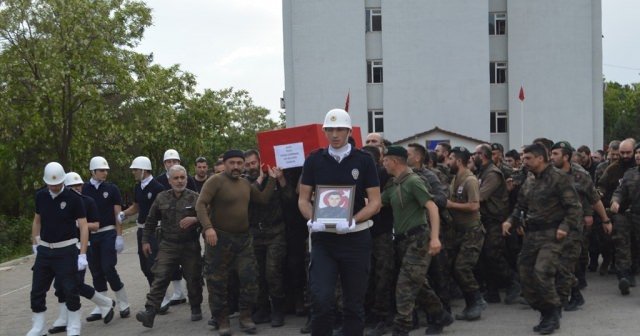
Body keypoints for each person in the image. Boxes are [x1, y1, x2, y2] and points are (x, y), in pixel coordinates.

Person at [298, 108, 381, 336]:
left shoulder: (364, 160)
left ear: (348, 131)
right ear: (324, 131)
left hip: (355, 240)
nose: (334, 134)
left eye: (340, 129)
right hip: (324, 240)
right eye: (330, 129)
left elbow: (375, 202)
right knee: (321, 300)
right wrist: (312, 219)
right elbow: (303, 199)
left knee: (353, 304)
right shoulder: (314, 159)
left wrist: (353, 220)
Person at [196, 149, 280, 335]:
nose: (236, 166)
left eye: (239, 163)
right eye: (232, 163)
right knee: (218, 282)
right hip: (219, 239)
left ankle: (245, 316)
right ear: (225, 164)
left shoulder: (245, 184)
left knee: (250, 279)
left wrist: (273, 178)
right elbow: (200, 204)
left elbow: (263, 199)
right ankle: (222, 319)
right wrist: (208, 227)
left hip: (243, 241)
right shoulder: (215, 181)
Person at [502, 143, 582, 335]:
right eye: (523, 158)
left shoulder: (559, 178)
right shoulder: (529, 179)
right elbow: (521, 205)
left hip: (552, 234)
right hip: (531, 235)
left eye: (528, 158)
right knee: (525, 273)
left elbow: (574, 207)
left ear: (540, 158)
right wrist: (511, 220)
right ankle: (546, 311)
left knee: (542, 272)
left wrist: (564, 227)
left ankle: (553, 313)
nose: (524, 161)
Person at [381, 146, 452, 336]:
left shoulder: (413, 181)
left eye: (385, 160)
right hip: (403, 242)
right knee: (418, 283)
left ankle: (401, 327)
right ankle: (440, 315)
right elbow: (376, 204)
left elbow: (432, 208)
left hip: (419, 239)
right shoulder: (394, 184)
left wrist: (435, 238)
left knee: (405, 285)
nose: (383, 163)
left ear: (394, 161)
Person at [135, 165, 204, 328]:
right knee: (160, 275)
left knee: (193, 278)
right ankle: (150, 312)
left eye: (182, 178)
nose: (180, 181)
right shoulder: (161, 198)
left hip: (190, 245)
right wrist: (145, 241)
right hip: (168, 244)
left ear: (187, 179)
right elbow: (150, 221)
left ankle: (196, 307)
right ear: (169, 180)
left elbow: (207, 216)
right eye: (176, 178)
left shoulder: (196, 198)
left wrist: (195, 220)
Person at [47, 173, 115, 334]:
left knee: (74, 283)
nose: (77, 188)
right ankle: (66, 318)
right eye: (73, 186)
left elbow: (96, 225)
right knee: (61, 285)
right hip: (62, 249)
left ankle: (103, 303)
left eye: (79, 185)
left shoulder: (87, 201)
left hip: (82, 246)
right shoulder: (59, 201)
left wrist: (79, 224)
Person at [27, 163, 89, 336]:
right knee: (37, 289)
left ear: (63, 180)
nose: (54, 186)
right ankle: (38, 326)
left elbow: (83, 226)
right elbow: (37, 220)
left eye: (57, 183)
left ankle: (74, 324)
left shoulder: (74, 198)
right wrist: (35, 242)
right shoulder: (41, 196)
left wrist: (82, 253)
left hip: (66, 249)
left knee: (70, 288)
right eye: (50, 184)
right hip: (45, 250)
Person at [549, 141, 610, 312]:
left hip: (575, 226)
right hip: (554, 225)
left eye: (555, 154)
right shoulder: (549, 174)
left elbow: (594, 198)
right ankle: (575, 293)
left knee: (566, 263)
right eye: (551, 154)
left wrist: (605, 220)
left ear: (566, 157)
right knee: (558, 263)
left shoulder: (580, 175)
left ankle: (560, 303)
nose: (551, 157)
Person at [244, 149, 293, 327]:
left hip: (275, 233)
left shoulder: (275, 176)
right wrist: (258, 181)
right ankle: (263, 308)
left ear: (260, 161)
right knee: (258, 274)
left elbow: (289, 199)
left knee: (273, 273)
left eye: (253, 163)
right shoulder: (244, 182)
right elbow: (249, 199)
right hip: (255, 234)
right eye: (247, 164)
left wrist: (280, 179)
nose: (251, 167)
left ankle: (278, 310)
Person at [82, 156, 130, 321]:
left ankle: (123, 302)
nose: (105, 173)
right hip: (90, 235)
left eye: (106, 170)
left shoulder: (112, 189)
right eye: (101, 170)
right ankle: (101, 303)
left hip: (108, 232)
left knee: (108, 267)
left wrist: (119, 236)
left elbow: (118, 214)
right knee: (96, 270)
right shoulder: (84, 189)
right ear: (93, 171)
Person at [473, 144, 519, 304]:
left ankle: (514, 282)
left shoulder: (492, 173)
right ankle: (492, 291)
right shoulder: (482, 171)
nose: (473, 157)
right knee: (485, 256)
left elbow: (480, 196)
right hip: (485, 219)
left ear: (483, 155)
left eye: (475, 154)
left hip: (495, 219)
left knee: (493, 254)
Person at [445, 146, 486, 321]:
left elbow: (474, 205)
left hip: (472, 231)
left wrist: (450, 205)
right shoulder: (455, 178)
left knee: (462, 268)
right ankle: (473, 302)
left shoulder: (469, 180)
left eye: (450, 158)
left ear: (459, 161)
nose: (447, 162)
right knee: (454, 267)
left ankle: (476, 302)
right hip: (458, 231)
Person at [155, 149, 196, 309]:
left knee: (191, 267)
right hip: (167, 231)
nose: (171, 164)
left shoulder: (188, 179)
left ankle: (192, 296)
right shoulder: (159, 181)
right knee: (168, 264)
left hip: (188, 231)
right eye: (168, 162)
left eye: (174, 161)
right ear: (164, 164)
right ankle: (177, 293)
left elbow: (196, 201)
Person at [597, 138, 637, 293]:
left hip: (637, 211)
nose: (625, 156)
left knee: (634, 244)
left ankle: (632, 270)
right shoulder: (613, 169)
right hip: (620, 212)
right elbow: (602, 186)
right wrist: (603, 197)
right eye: (622, 153)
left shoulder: (636, 169)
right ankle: (624, 276)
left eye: (628, 152)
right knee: (622, 243)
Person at [118, 156, 164, 286]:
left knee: (153, 264)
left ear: (144, 170)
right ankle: (156, 294)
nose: (133, 172)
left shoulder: (157, 187)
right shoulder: (138, 187)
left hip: (155, 230)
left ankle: (159, 297)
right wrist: (124, 213)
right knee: (144, 266)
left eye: (135, 170)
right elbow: (136, 207)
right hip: (141, 230)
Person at [609, 140, 640, 295]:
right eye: (638, 154)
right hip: (632, 215)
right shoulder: (630, 173)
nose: (638, 156)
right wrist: (615, 201)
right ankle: (625, 277)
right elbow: (620, 190)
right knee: (622, 244)